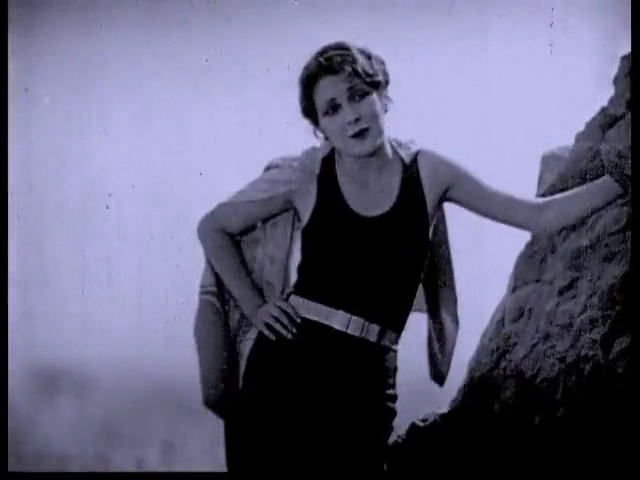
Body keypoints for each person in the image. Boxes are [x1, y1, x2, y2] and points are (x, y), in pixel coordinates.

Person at [195, 41, 627, 473]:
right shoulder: (309, 175)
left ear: (383, 96)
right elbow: (214, 227)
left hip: (369, 381)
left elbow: (538, 216)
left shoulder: (429, 173)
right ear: (321, 128)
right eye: (332, 109)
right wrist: (255, 306)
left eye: (359, 95)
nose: (351, 115)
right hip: (287, 372)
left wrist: (622, 179)